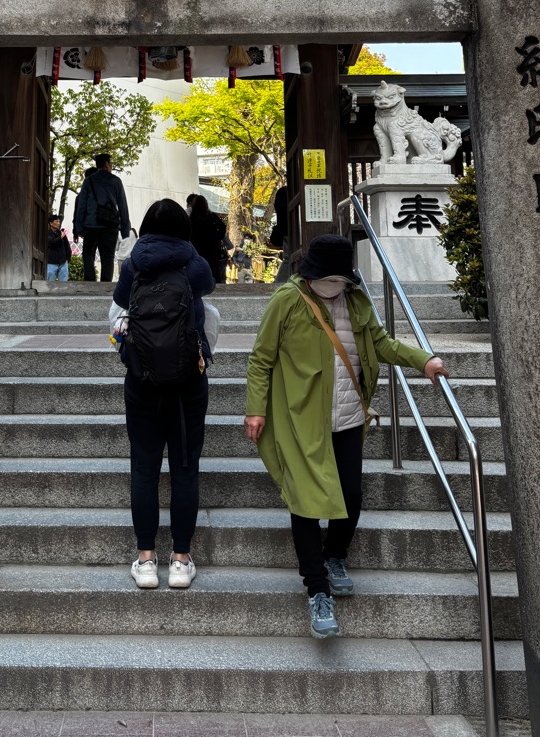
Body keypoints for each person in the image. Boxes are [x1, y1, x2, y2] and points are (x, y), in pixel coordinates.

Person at [243, 234, 448, 639]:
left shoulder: (356, 302)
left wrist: (423, 360)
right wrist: (255, 408)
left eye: (340, 279)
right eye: (328, 279)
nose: (334, 286)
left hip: (350, 416)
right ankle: (317, 590)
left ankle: (335, 555)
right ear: (311, 274)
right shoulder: (286, 301)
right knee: (304, 503)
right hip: (302, 419)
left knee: (351, 495)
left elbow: (383, 344)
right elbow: (261, 358)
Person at [113, 198, 215, 590]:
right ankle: (180, 560)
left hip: (142, 377)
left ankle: (144, 560)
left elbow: (122, 302)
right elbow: (207, 289)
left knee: (144, 467)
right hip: (189, 377)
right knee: (185, 469)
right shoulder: (194, 262)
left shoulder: (133, 262)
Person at [74, 153, 130, 282]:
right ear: (106, 164)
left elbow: (82, 206)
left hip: (91, 224)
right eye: (111, 163)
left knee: (88, 254)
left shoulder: (88, 181)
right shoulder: (116, 181)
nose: (111, 166)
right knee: (108, 256)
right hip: (110, 225)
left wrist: (79, 227)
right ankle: (105, 284)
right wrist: (125, 228)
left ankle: (89, 281)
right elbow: (123, 206)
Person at [188, 193, 229, 284]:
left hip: (196, 249)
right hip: (212, 249)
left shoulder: (191, 218)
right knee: (213, 272)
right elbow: (222, 227)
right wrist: (217, 237)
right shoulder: (211, 216)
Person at [46, 214, 72, 282]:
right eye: (56, 221)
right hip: (51, 262)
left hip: (63, 262)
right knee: (50, 282)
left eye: (59, 222)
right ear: (51, 223)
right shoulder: (48, 234)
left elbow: (67, 246)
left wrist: (67, 259)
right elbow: (51, 243)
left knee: (63, 283)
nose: (58, 223)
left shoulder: (61, 233)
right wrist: (60, 237)